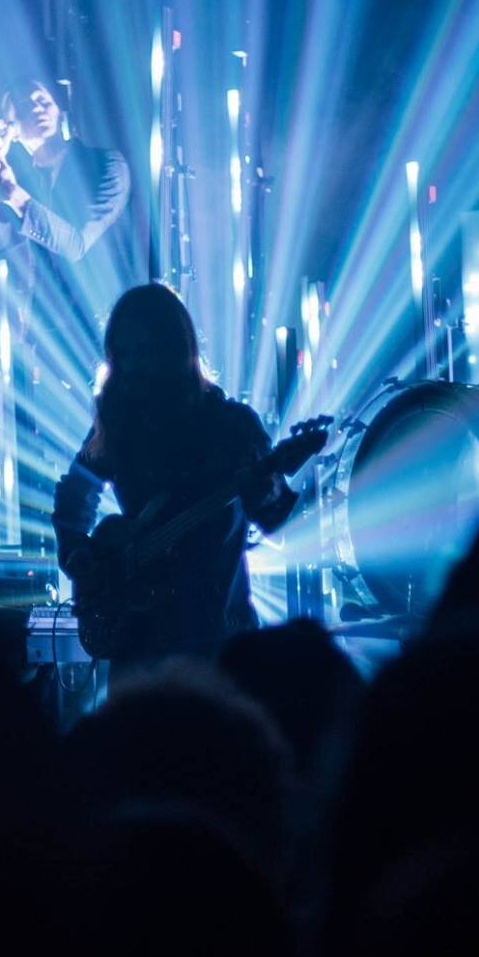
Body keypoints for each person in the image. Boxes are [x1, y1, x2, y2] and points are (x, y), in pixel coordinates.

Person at [53, 283, 298, 668]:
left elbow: (275, 514)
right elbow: (75, 495)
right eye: (124, 354)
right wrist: (79, 553)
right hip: (140, 639)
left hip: (216, 634)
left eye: (144, 351)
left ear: (173, 349)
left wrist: (266, 489)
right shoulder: (118, 424)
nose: (133, 366)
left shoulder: (230, 425)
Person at [0, 76, 133, 547]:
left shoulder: (106, 165)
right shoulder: (14, 180)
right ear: (13, 123)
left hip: (108, 342)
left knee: (115, 462)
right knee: (49, 471)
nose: (38, 105)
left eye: (45, 98)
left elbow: (77, 243)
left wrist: (13, 192)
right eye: (24, 102)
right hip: (40, 343)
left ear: (62, 110)